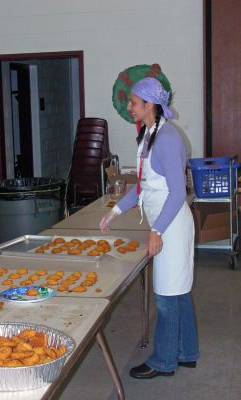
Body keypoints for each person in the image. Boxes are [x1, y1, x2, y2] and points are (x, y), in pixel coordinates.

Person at [100, 76, 199, 379]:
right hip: (164, 224)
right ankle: (187, 352)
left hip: (171, 226)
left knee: (167, 296)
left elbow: (177, 192)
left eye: (133, 102)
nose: (129, 107)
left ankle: (163, 361)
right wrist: (114, 211)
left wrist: (156, 232)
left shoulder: (168, 138)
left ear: (150, 105)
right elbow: (143, 186)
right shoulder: (148, 135)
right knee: (178, 292)